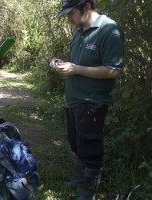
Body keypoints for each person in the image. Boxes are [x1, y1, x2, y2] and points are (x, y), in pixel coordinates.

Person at [50, 0, 125, 199]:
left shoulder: (109, 30)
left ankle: (89, 192)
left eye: (72, 13)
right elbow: (78, 63)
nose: (69, 18)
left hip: (92, 101)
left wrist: (76, 69)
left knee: (91, 145)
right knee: (77, 143)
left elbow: (114, 70)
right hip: (74, 99)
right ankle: (80, 179)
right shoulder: (80, 30)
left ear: (88, 7)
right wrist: (61, 64)